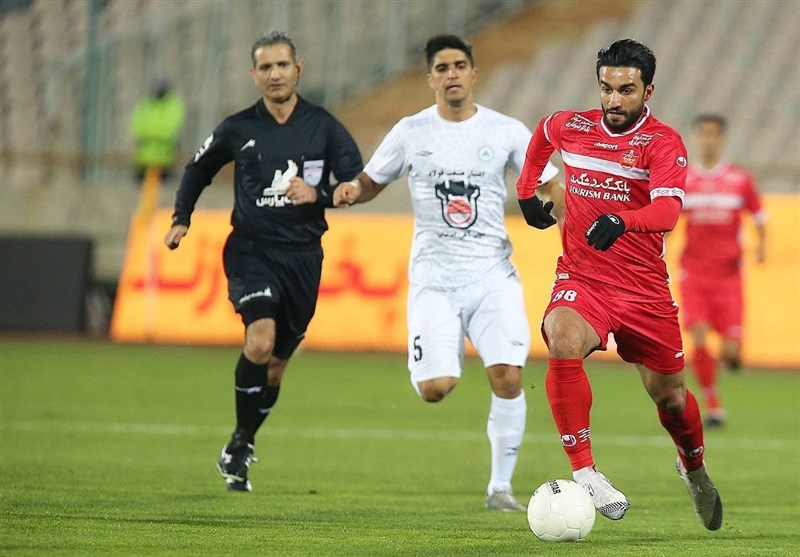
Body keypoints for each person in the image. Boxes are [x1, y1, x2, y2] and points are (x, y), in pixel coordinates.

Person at [334, 34, 564, 512]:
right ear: (431, 79)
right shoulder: (411, 131)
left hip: (492, 274)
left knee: (508, 376)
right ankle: (434, 356)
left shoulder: (505, 131)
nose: (452, 74)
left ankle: (500, 488)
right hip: (434, 279)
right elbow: (373, 179)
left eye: (459, 65)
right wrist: (354, 189)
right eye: (442, 68)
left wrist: (563, 218)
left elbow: (549, 182)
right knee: (435, 389)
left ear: (473, 73)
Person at [515, 39, 723, 530]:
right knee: (561, 335)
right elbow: (544, 132)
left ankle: (693, 468)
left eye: (625, 90)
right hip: (583, 278)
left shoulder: (662, 143)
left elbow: (668, 210)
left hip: (643, 291)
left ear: (647, 91)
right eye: (606, 88)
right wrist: (526, 191)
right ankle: (585, 472)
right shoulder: (574, 126)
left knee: (671, 398)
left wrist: (623, 221)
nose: (613, 100)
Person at [163, 31, 363, 492]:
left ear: (299, 69)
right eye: (266, 67)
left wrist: (321, 193)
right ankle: (241, 439)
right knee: (259, 340)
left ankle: (242, 440)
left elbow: (354, 183)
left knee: (275, 366)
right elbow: (198, 168)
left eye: (282, 65)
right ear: (254, 75)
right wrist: (181, 217)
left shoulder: (324, 126)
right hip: (251, 250)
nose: (275, 74)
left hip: (303, 257)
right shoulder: (237, 128)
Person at [678, 114, 766, 427]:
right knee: (700, 337)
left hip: (728, 277)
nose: (708, 140)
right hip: (694, 273)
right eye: (703, 134)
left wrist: (761, 245)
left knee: (730, 350)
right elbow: (668, 218)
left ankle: (731, 357)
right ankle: (713, 406)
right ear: (696, 138)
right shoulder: (684, 180)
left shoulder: (739, 179)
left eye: (714, 134)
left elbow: (759, 215)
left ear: (722, 139)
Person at [130, 79, 185, 182]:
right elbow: (137, 126)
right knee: (141, 189)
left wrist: (149, 133)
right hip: (143, 158)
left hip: (165, 159)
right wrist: (156, 132)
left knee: (164, 189)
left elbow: (171, 129)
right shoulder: (145, 104)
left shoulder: (173, 105)